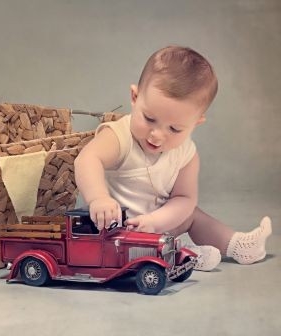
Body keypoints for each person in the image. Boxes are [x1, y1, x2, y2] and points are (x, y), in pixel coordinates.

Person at [74, 45, 272, 271]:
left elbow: (184, 199)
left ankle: (238, 245)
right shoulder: (120, 136)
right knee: (132, 242)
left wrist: (156, 221)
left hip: (159, 223)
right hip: (116, 229)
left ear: (196, 123)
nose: (157, 135)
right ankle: (186, 256)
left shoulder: (186, 153)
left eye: (175, 129)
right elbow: (87, 159)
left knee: (192, 215)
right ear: (135, 97)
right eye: (149, 119)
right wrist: (98, 198)